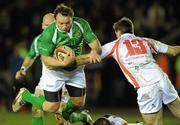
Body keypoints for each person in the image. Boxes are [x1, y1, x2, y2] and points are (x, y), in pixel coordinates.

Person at [13, 3, 101, 125]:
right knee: (49, 108)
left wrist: (94, 51)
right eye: (61, 23)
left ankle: (73, 116)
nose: (64, 26)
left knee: (78, 103)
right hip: (54, 72)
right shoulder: (46, 35)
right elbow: (45, 60)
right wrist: (63, 63)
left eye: (67, 23)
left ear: (72, 18)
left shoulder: (80, 25)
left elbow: (95, 44)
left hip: (75, 70)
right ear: (54, 21)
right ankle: (26, 95)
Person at [100, 17, 180, 125]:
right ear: (132, 30)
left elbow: (94, 55)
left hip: (146, 85)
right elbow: (174, 51)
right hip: (161, 78)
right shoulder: (146, 40)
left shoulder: (115, 44)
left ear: (118, 32)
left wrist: (73, 60)